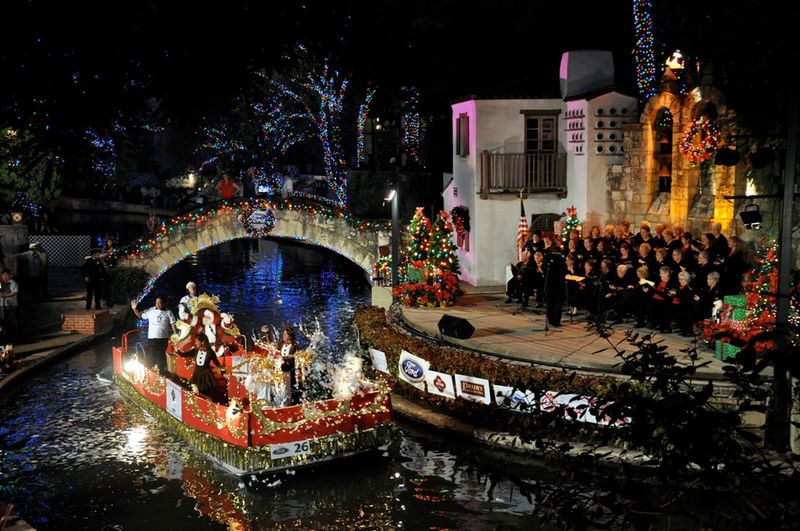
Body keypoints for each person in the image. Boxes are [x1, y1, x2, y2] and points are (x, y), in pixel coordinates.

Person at [130, 297, 177, 372]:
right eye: (157, 302)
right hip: (152, 338)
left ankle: (161, 373)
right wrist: (134, 309)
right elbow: (140, 316)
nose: (158, 304)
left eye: (160, 302)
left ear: (164, 303)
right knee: (151, 356)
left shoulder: (168, 312)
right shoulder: (151, 310)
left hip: (163, 338)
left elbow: (173, 323)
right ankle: (150, 372)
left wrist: (175, 335)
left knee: (161, 356)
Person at [189, 333, 224, 402]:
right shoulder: (196, 350)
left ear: (202, 342)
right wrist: (177, 351)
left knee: (207, 392)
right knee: (196, 390)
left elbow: (217, 363)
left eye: (197, 341)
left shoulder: (210, 352)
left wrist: (223, 371)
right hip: (197, 375)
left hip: (206, 375)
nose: (195, 343)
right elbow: (185, 354)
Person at [543, 251, 566, 327]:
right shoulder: (560, 261)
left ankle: (550, 320)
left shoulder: (547, 259)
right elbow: (563, 272)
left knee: (550, 302)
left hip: (550, 284)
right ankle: (555, 322)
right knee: (557, 303)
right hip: (558, 285)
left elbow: (545, 271)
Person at [0, 269, 19, 339]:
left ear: (10, 276)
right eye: (3, 275)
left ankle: (14, 333)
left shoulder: (14, 283)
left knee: (11, 319)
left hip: (11, 305)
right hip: (2, 305)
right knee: (2, 320)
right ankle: (4, 334)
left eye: (6, 275)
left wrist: (5, 295)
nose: (4, 277)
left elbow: (14, 293)